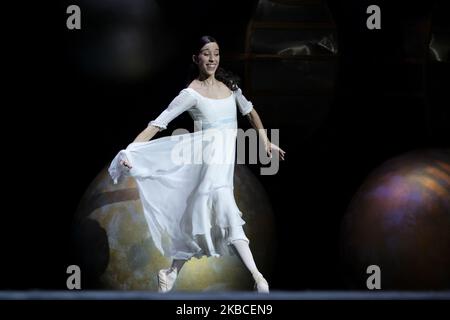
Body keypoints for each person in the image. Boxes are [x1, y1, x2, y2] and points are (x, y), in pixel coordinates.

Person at [109, 35, 285, 293]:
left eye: (216, 53)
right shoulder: (190, 94)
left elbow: (249, 111)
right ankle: (259, 279)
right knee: (225, 211)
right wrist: (131, 150)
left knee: (199, 219)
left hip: (224, 166)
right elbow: (158, 123)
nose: (212, 58)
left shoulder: (231, 86)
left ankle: (170, 272)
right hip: (207, 163)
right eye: (206, 53)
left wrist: (266, 141)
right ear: (196, 58)